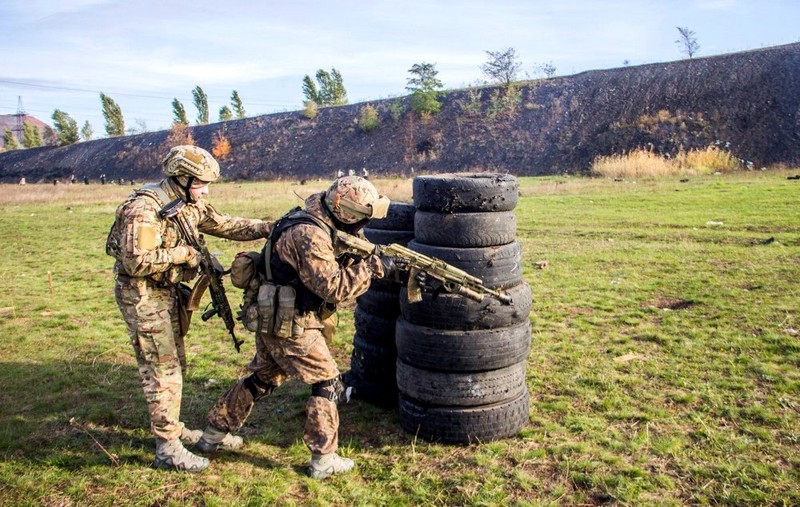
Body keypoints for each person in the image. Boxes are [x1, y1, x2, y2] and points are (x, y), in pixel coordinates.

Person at [196, 175, 395, 479]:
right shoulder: (309, 235)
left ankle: (213, 434)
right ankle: (323, 458)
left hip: (273, 314)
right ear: (342, 209)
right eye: (358, 217)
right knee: (327, 382)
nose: (360, 225)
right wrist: (373, 268)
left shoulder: (318, 213)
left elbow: (345, 246)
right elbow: (333, 287)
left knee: (264, 378)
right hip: (292, 322)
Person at [106, 145, 271, 472]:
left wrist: (268, 227)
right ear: (181, 178)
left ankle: (175, 429)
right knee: (161, 369)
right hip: (142, 295)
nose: (206, 191)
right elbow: (136, 261)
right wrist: (184, 255)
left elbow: (224, 224)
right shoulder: (144, 209)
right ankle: (167, 448)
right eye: (200, 184)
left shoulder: (187, 203)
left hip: (166, 291)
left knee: (175, 362)